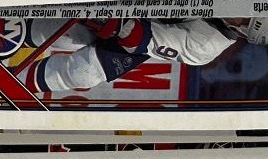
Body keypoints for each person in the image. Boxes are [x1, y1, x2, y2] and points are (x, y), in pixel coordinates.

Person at [20, 14, 246, 97]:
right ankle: (12, 30)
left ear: (244, 30)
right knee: (68, 27)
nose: (241, 11)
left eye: (246, 19)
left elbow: (143, 40)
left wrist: (114, 21)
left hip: (141, 25)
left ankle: (17, 80)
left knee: (85, 72)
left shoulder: (206, 45)